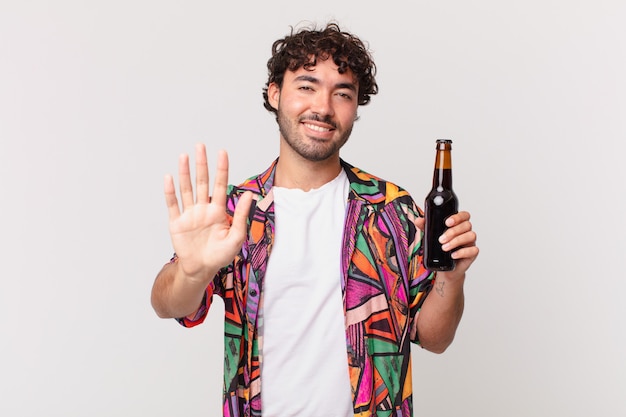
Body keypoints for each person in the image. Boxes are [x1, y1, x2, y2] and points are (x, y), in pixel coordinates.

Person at [151, 22, 479, 417]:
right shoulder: (237, 212)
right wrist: (191, 271)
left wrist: (451, 276)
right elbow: (168, 303)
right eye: (307, 86)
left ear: (356, 107)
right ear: (275, 93)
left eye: (342, 93)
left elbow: (434, 337)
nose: (323, 107)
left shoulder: (390, 210)